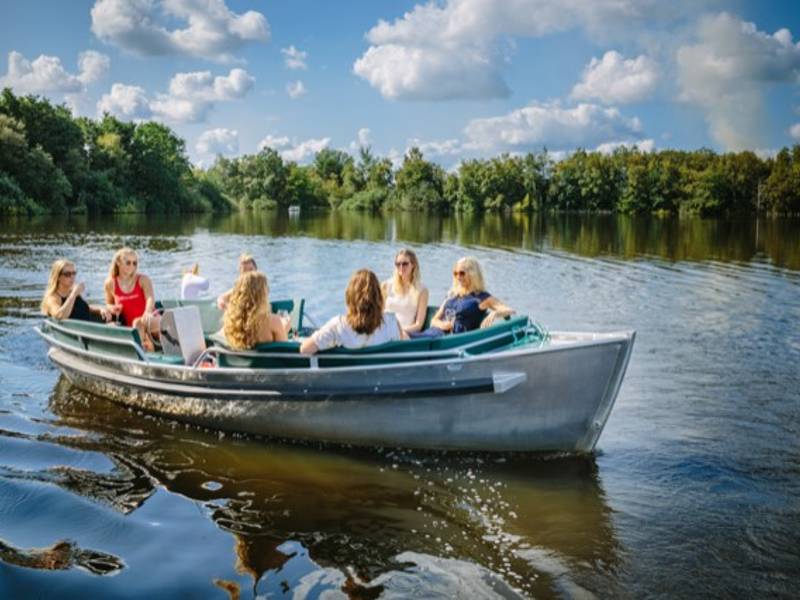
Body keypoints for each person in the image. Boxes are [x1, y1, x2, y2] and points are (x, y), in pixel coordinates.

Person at [300, 269, 407, 354]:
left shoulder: (338, 325)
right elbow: (403, 348)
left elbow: (304, 349)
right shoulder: (392, 322)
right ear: (378, 297)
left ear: (350, 297)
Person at [422, 256, 514, 337]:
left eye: (462, 273)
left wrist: (495, 313)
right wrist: (443, 325)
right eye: (455, 273)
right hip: (434, 333)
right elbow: (434, 320)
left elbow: (509, 310)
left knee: (407, 337)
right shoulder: (452, 294)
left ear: (472, 274)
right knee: (407, 335)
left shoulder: (481, 297)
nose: (458, 277)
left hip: (452, 339)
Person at [103, 247, 161, 352]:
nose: (132, 266)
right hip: (132, 326)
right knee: (133, 324)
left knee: (138, 322)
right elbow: (108, 304)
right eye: (128, 262)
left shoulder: (143, 279)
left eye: (135, 263)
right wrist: (112, 308)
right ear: (118, 263)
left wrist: (147, 312)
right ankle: (145, 349)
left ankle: (142, 351)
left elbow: (150, 298)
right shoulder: (110, 283)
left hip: (149, 318)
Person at [222, 271, 288, 350]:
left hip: (235, 361)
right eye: (266, 289)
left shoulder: (230, 322)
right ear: (261, 295)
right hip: (266, 362)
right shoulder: (273, 322)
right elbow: (285, 353)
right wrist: (284, 329)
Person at [41, 259, 112, 323]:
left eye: (74, 273)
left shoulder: (72, 292)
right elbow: (60, 315)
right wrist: (73, 294)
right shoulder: (53, 297)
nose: (72, 277)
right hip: (77, 331)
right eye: (67, 274)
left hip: (88, 325)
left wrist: (100, 308)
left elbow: (84, 308)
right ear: (58, 277)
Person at [382, 248, 429, 334]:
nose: (401, 267)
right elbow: (379, 313)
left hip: (404, 333)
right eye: (398, 264)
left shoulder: (422, 290)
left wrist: (399, 331)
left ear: (413, 265)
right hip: (383, 330)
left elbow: (418, 325)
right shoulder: (386, 285)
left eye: (405, 264)